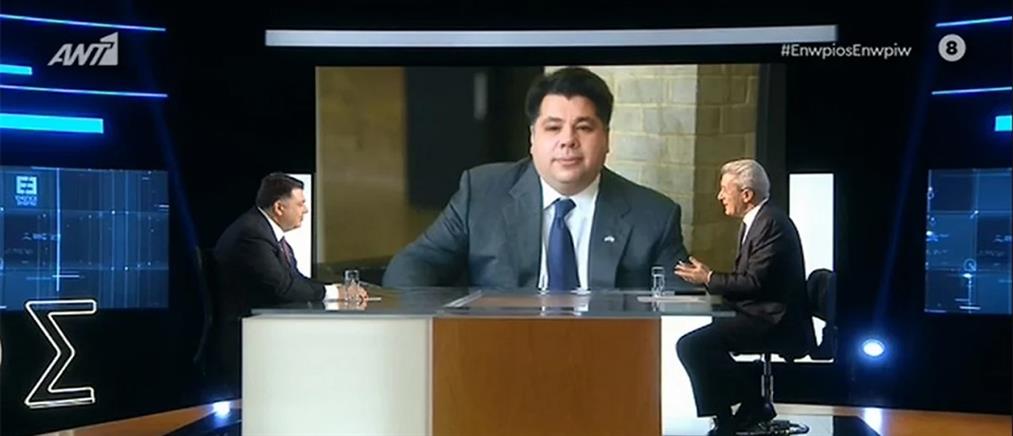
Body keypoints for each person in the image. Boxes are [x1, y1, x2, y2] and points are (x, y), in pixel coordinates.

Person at [383, 67, 688, 290]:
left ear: (606, 138)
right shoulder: (482, 193)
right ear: (533, 137)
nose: (568, 140)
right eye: (553, 128)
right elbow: (413, 265)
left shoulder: (654, 216)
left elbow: (682, 303)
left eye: (584, 127)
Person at [674, 159, 814, 435]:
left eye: (725, 190)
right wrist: (710, 281)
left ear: (747, 194)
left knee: (692, 345)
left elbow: (753, 282)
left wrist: (709, 278)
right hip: (761, 313)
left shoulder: (770, 223)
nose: (720, 196)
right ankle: (730, 416)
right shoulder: (757, 221)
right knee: (698, 342)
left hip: (775, 320)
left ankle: (751, 403)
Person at [212, 172, 367, 391]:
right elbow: (283, 288)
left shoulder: (264, 231)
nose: (306, 210)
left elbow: (295, 280)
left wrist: (336, 289)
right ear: (279, 208)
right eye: (300, 204)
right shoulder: (252, 234)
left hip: (265, 332)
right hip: (246, 339)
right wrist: (334, 293)